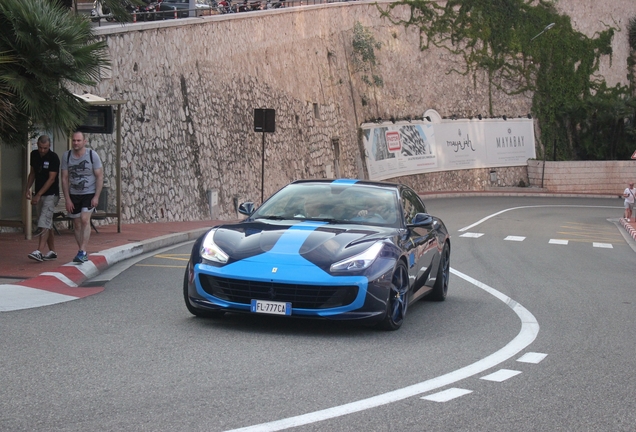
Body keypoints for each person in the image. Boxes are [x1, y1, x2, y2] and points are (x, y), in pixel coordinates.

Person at [61, 131, 104, 263]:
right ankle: (81, 250)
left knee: (85, 219)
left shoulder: (92, 155)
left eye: (79, 140)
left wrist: (96, 196)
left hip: (89, 192)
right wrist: (67, 199)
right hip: (74, 194)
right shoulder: (67, 156)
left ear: (84, 141)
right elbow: (64, 178)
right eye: (74, 140)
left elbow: (99, 176)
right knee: (77, 223)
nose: (76, 143)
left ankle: (83, 251)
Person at [26, 135, 60, 262]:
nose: (42, 150)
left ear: (49, 146)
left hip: (51, 195)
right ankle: (52, 251)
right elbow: (33, 173)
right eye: (40, 147)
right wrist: (27, 189)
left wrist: (39, 194)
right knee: (46, 222)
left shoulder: (53, 158)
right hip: (38, 193)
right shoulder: (34, 155)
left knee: (43, 221)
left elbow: (51, 179)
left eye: (45, 148)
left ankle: (39, 251)